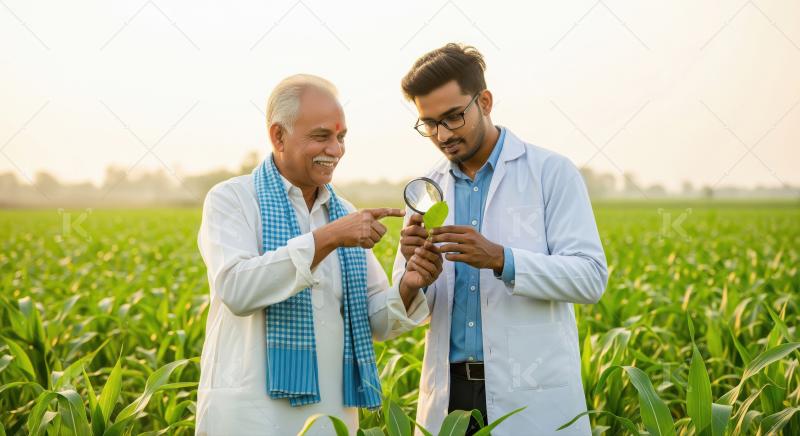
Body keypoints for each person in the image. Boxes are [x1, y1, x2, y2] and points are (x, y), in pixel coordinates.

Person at [195, 74, 441, 435]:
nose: (336, 149)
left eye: (341, 137)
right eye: (321, 136)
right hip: (248, 417)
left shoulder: (342, 211)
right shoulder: (232, 199)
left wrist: (409, 285)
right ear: (278, 135)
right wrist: (328, 238)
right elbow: (237, 288)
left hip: (330, 417)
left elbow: (374, 319)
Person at [393, 44, 608, 436]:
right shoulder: (427, 190)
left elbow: (590, 278)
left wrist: (500, 259)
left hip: (532, 398)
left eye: (453, 117)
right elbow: (405, 312)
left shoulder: (551, 173)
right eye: (429, 123)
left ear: (485, 101)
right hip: (451, 396)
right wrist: (412, 280)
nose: (442, 135)